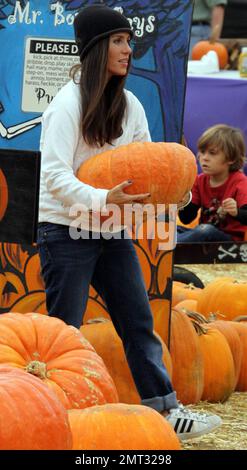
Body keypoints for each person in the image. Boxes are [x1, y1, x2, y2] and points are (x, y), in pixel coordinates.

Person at [37, 4, 221, 440]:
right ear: (97, 48)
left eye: (128, 41)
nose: (127, 49)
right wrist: (105, 196)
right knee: (65, 329)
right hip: (65, 229)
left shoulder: (130, 104)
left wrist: (175, 193)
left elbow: (148, 168)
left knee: (138, 321)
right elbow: (54, 175)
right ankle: (56, 417)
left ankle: (165, 409)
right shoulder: (67, 105)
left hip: (110, 230)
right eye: (119, 41)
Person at [177, 124, 247, 242]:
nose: (204, 158)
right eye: (202, 152)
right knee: (173, 228)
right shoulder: (199, 181)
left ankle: (169, 248)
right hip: (203, 235)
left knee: (205, 230)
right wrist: (184, 203)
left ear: (231, 159)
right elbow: (186, 220)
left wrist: (237, 212)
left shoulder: (240, 182)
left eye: (212, 153)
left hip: (229, 243)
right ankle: (173, 244)